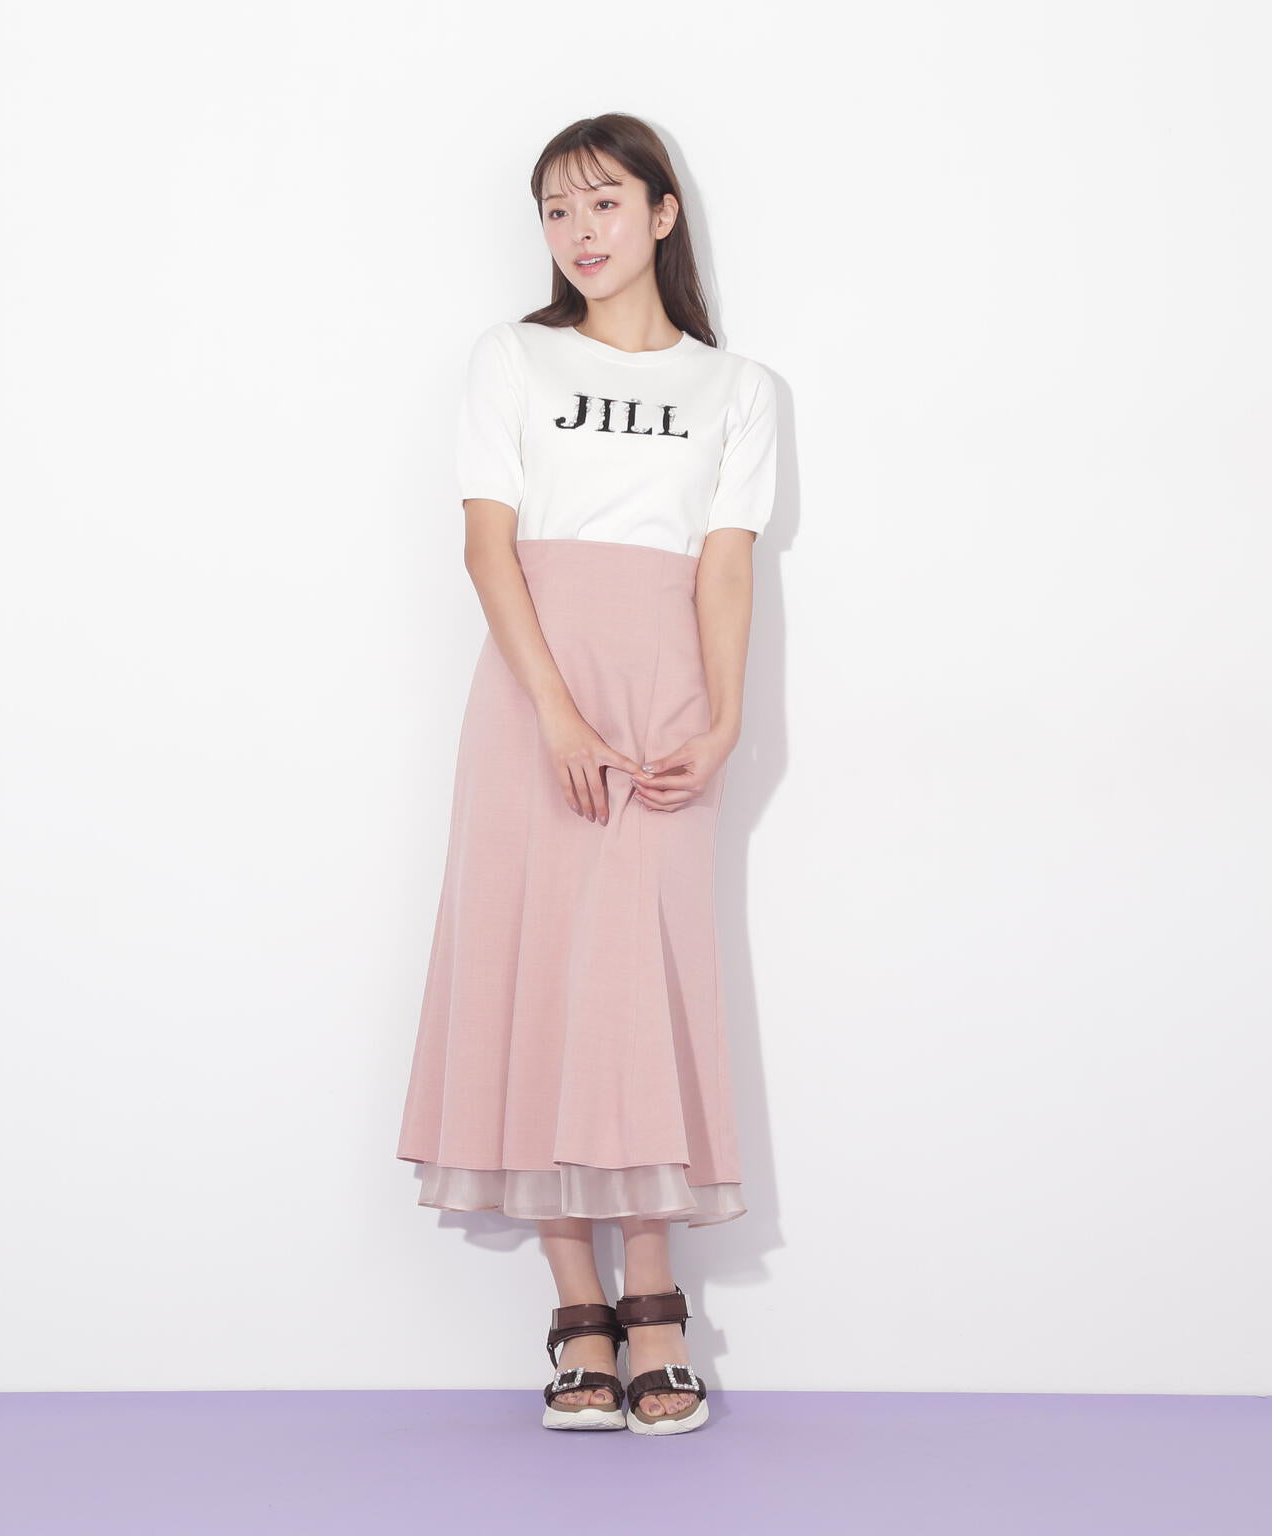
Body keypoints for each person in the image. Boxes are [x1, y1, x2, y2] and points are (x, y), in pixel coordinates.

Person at [395, 113, 778, 1436]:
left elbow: (725, 566)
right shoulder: (514, 357)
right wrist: (555, 716)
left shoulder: (737, 390)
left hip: (665, 701)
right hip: (533, 697)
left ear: (663, 213)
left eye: (603, 202)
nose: (579, 231)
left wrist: (725, 722)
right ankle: (579, 1309)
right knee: (536, 968)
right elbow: (487, 547)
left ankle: (655, 1297)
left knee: (639, 984)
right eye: (556, 210)